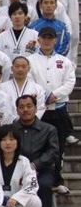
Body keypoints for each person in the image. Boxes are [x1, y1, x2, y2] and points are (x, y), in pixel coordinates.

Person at [27, 26, 78, 183]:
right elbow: (29, 81)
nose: (47, 41)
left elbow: (70, 82)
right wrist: (44, 96)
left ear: (55, 40)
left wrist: (55, 95)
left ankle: (57, 179)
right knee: (38, 146)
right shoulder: (30, 61)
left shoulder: (65, 61)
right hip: (39, 110)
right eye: (44, 37)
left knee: (59, 146)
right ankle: (35, 178)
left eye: (50, 38)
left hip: (59, 109)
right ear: (39, 39)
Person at [12, 95, 59, 207]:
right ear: (17, 110)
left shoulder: (49, 129)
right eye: (21, 107)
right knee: (11, 183)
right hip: (17, 169)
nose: (25, 110)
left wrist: (35, 165)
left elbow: (53, 152)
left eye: (29, 106)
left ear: (36, 108)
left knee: (44, 186)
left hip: (42, 169)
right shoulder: (12, 129)